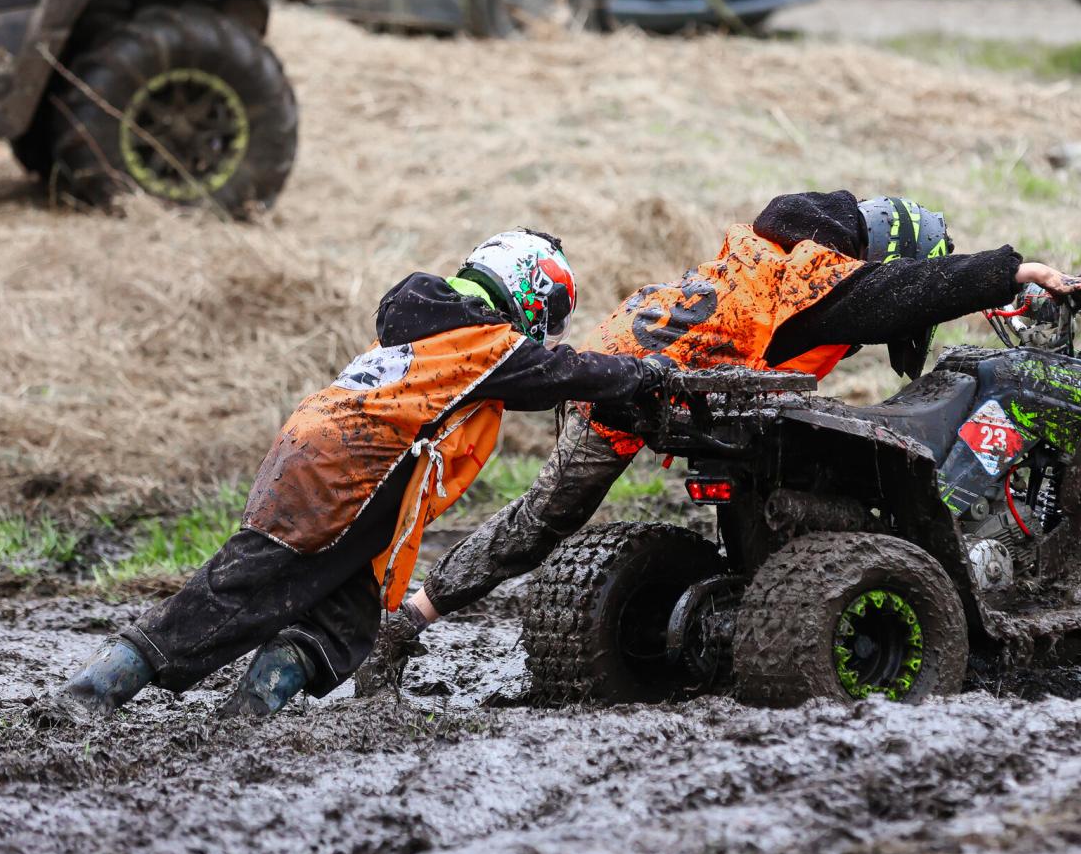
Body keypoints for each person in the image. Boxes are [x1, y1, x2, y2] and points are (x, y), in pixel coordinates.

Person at [355, 191, 1081, 693]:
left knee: (544, 516)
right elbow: (901, 294)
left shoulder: (772, 253)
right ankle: (405, 619)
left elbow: (897, 295)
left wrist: (1005, 292)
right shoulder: (817, 277)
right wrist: (1012, 271)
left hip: (631, 361)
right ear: (889, 258)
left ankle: (410, 618)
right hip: (654, 382)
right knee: (836, 460)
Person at [56, 230, 666, 720]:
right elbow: (564, 372)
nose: (549, 326)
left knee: (342, 619)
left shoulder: (434, 321)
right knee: (235, 592)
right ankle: (90, 695)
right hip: (348, 473)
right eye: (552, 309)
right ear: (530, 291)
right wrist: (645, 374)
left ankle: (245, 717)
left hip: (325, 455)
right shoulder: (481, 344)